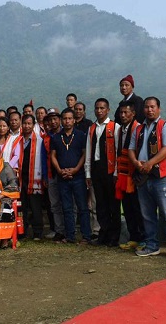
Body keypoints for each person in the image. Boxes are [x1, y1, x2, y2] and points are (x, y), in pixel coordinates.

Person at [129, 97, 166, 259]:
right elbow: (131, 149)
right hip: (143, 177)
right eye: (146, 107)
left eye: (152, 107)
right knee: (147, 214)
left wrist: (150, 163)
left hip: (161, 177)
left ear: (159, 109)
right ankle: (152, 245)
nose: (149, 110)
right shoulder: (138, 129)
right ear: (143, 109)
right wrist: (137, 163)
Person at [50, 108, 92, 244]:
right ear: (61, 120)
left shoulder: (81, 135)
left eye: (69, 118)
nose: (67, 121)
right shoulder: (56, 137)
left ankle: (86, 236)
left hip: (78, 176)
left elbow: (84, 154)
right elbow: (53, 156)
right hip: (62, 178)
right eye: (65, 119)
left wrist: (75, 170)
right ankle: (70, 236)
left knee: (82, 207)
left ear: (74, 120)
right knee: (66, 208)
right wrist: (60, 170)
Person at [85, 98, 120, 246]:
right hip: (96, 170)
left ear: (108, 110)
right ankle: (103, 234)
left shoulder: (115, 127)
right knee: (100, 205)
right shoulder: (92, 128)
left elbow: (118, 151)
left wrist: (116, 172)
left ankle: (114, 237)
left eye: (102, 108)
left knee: (113, 205)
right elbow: (88, 151)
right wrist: (88, 173)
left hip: (110, 170)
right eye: (97, 108)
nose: (99, 111)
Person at [115, 100, 145, 250]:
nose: (123, 115)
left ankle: (144, 239)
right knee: (127, 208)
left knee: (138, 208)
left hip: (135, 175)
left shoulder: (138, 128)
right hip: (123, 175)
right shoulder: (120, 130)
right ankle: (134, 238)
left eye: (126, 112)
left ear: (133, 114)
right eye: (121, 112)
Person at [19, 114, 46, 240]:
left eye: (29, 123)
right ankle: (22, 231)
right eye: (24, 123)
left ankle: (37, 232)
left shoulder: (40, 141)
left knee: (35, 206)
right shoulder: (16, 141)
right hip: (20, 178)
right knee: (22, 206)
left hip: (35, 178)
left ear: (33, 125)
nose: (27, 126)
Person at [42, 109, 65, 242]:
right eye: (50, 119)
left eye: (55, 119)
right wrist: (45, 176)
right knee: (54, 204)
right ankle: (59, 230)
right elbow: (44, 159)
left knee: (67, 203)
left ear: (59, 119)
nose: (53, 121)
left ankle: (69, 229)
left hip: (66, 173)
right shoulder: (46, 138)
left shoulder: (66, 133)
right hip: (51, 174)